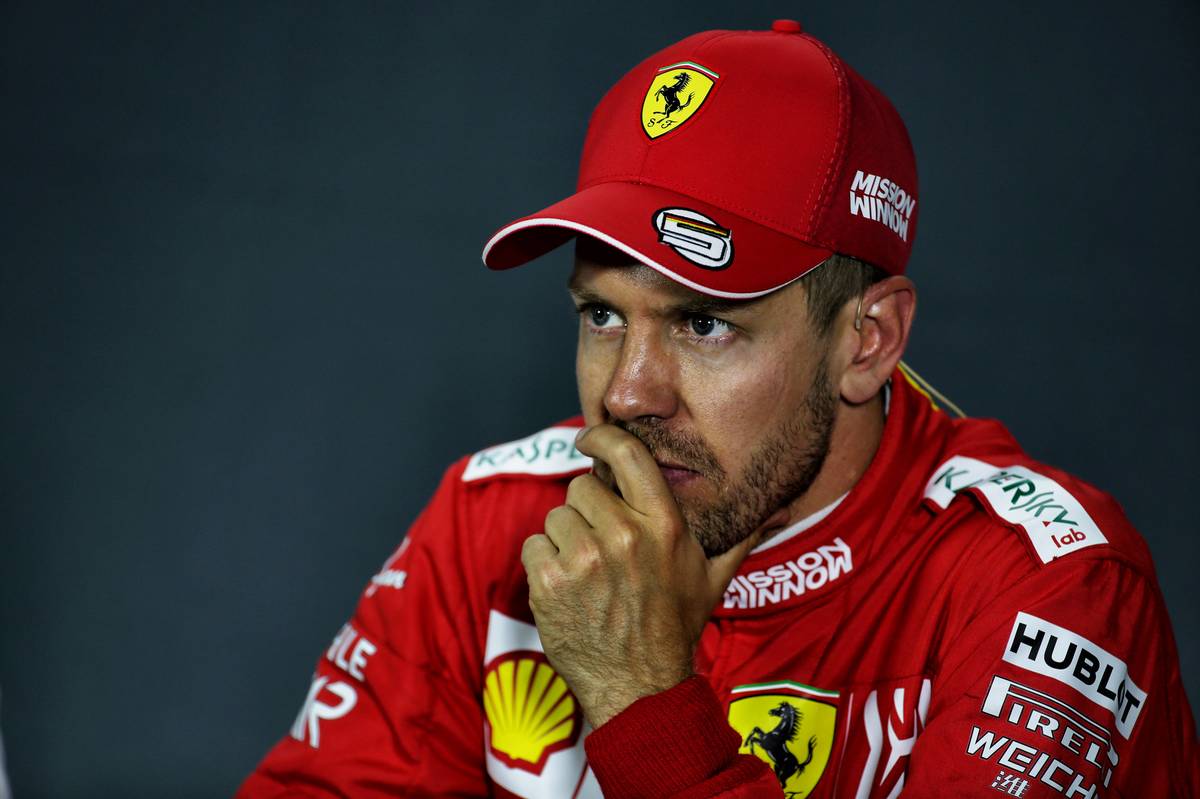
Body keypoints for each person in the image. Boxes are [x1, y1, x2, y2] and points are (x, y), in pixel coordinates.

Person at [239, 20, 1200, 798]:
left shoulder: (1046, 587)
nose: (625, 392)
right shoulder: (490, 523)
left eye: (704, 324)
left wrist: (641, 701)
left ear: (866, 341)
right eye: (603, 313)